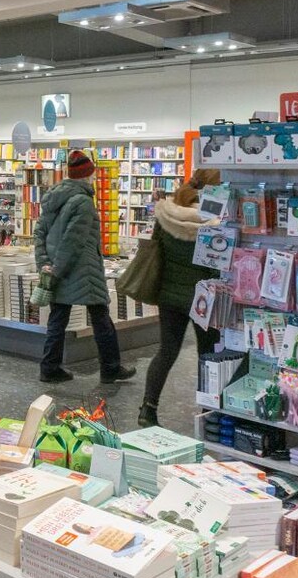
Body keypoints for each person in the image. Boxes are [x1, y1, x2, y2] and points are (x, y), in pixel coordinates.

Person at [34, 150, 136, 384]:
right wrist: (58, 269)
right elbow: (73, 241)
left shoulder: (52, 198)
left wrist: (45, 266)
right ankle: (110, 367)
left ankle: (49, 368)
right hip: (84, 271)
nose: (94, 178)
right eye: (92, 174)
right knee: (101, 317)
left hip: (58, 270)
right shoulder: (83, 202)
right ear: (86, 176)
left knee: (57, 319)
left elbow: (40, 233)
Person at [139, 169, 223, 426]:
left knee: (166, 351)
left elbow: (156, 250)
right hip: (204, 298)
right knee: (208, 354)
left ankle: (148, 408)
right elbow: (215, 264)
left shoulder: (166, 214)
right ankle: (210, 412)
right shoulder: (214, 221)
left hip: (170, 295)